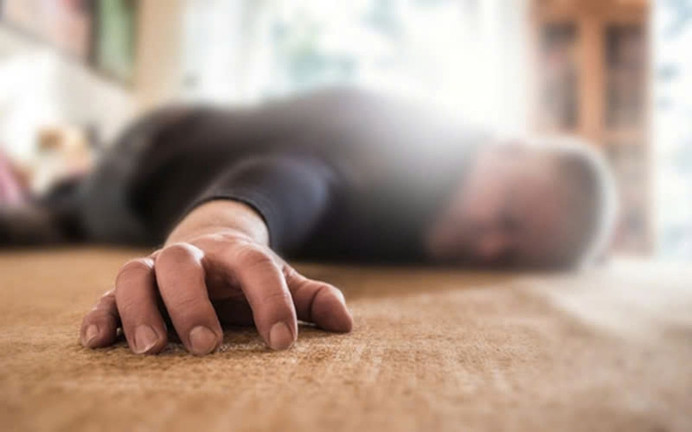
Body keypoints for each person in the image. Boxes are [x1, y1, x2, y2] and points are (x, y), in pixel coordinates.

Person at [0, 87, 616, 355]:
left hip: (177, 186)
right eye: (506, 215)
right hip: (151, 163)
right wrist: (225, 232)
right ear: (502, 148)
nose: (488, 251)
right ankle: (62, 209)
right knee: (70, 222)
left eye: (511, 257)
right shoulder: (408, 142)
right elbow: (302, 174)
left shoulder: (453, 212)